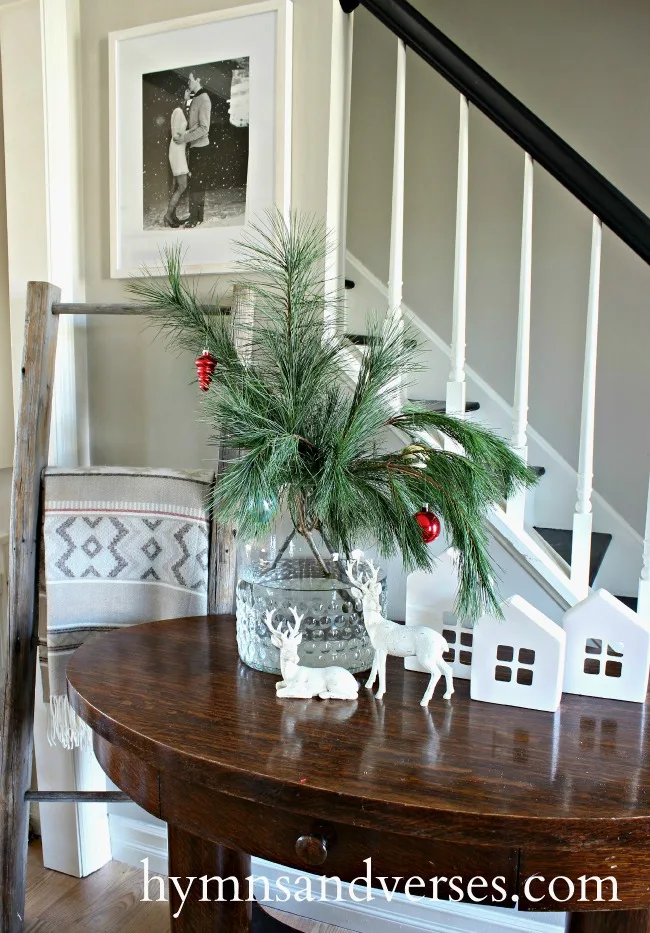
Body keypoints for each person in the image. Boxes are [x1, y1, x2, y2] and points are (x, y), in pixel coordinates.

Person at [173, 70, 212, 228]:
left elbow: (204, 129)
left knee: (197, 182)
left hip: (201, 148)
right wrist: (185, 100)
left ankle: (195, 218)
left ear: (198, 79)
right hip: (194, 147)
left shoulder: (204, 99)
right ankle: (196, 216)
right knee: (195, 182)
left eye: (189, 80)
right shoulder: (195, 98)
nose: (187, 83)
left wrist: (184, 138)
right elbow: (189, 123)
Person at [164, 89, 190, 227]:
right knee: (182, 185)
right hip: (177, 152)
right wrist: (190, 134)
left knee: (178, 186)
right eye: (186, 94)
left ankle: (172, 216)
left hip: (178, 151)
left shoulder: (178, 110)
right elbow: (176, 136)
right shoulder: (178, 112)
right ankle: (168, 216)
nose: (189, 96)